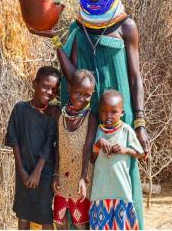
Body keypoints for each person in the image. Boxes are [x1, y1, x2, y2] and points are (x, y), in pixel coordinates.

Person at [29, 0, 149, 228]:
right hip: (85, 114)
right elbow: (72, 77)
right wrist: (56, 41)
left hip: (118, 115)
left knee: (119, 174)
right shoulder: (79, 25)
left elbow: (135, 77)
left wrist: (139, 122)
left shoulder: (126, 25)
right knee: (86, 174)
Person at [5, 66, 61, 230]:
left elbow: (49, 145)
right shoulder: (20, 109)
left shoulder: (51, 115)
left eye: (54, 90)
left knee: (45, 216)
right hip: (23, 170)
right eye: (45, 86)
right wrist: (22, 171)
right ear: (35, 83)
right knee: (24, 215)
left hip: (43, 173)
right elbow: (14, 140)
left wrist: (37, 172)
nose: (49, 92)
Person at [89, 90, 144, 230]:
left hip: (122, 193)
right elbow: (92, 159)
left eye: (114, 112)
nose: (108, 116)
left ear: (122, 113)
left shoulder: (126, 131)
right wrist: (98, 144)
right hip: (100, 194)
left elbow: (141, 154)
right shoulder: (97, 131)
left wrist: (125, 150)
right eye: (104, 111)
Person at [52, 69, 98, 230]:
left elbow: (87, 148)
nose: (81, 98)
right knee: (59, 221)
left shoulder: (91, 118)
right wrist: (56, 175)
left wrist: (83, 178)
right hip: (63, 177)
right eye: (77, 92)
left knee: (81, 224)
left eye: (87, 94)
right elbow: (58, 146)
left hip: (81, 178)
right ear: (69, 89)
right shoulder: (60, 116)